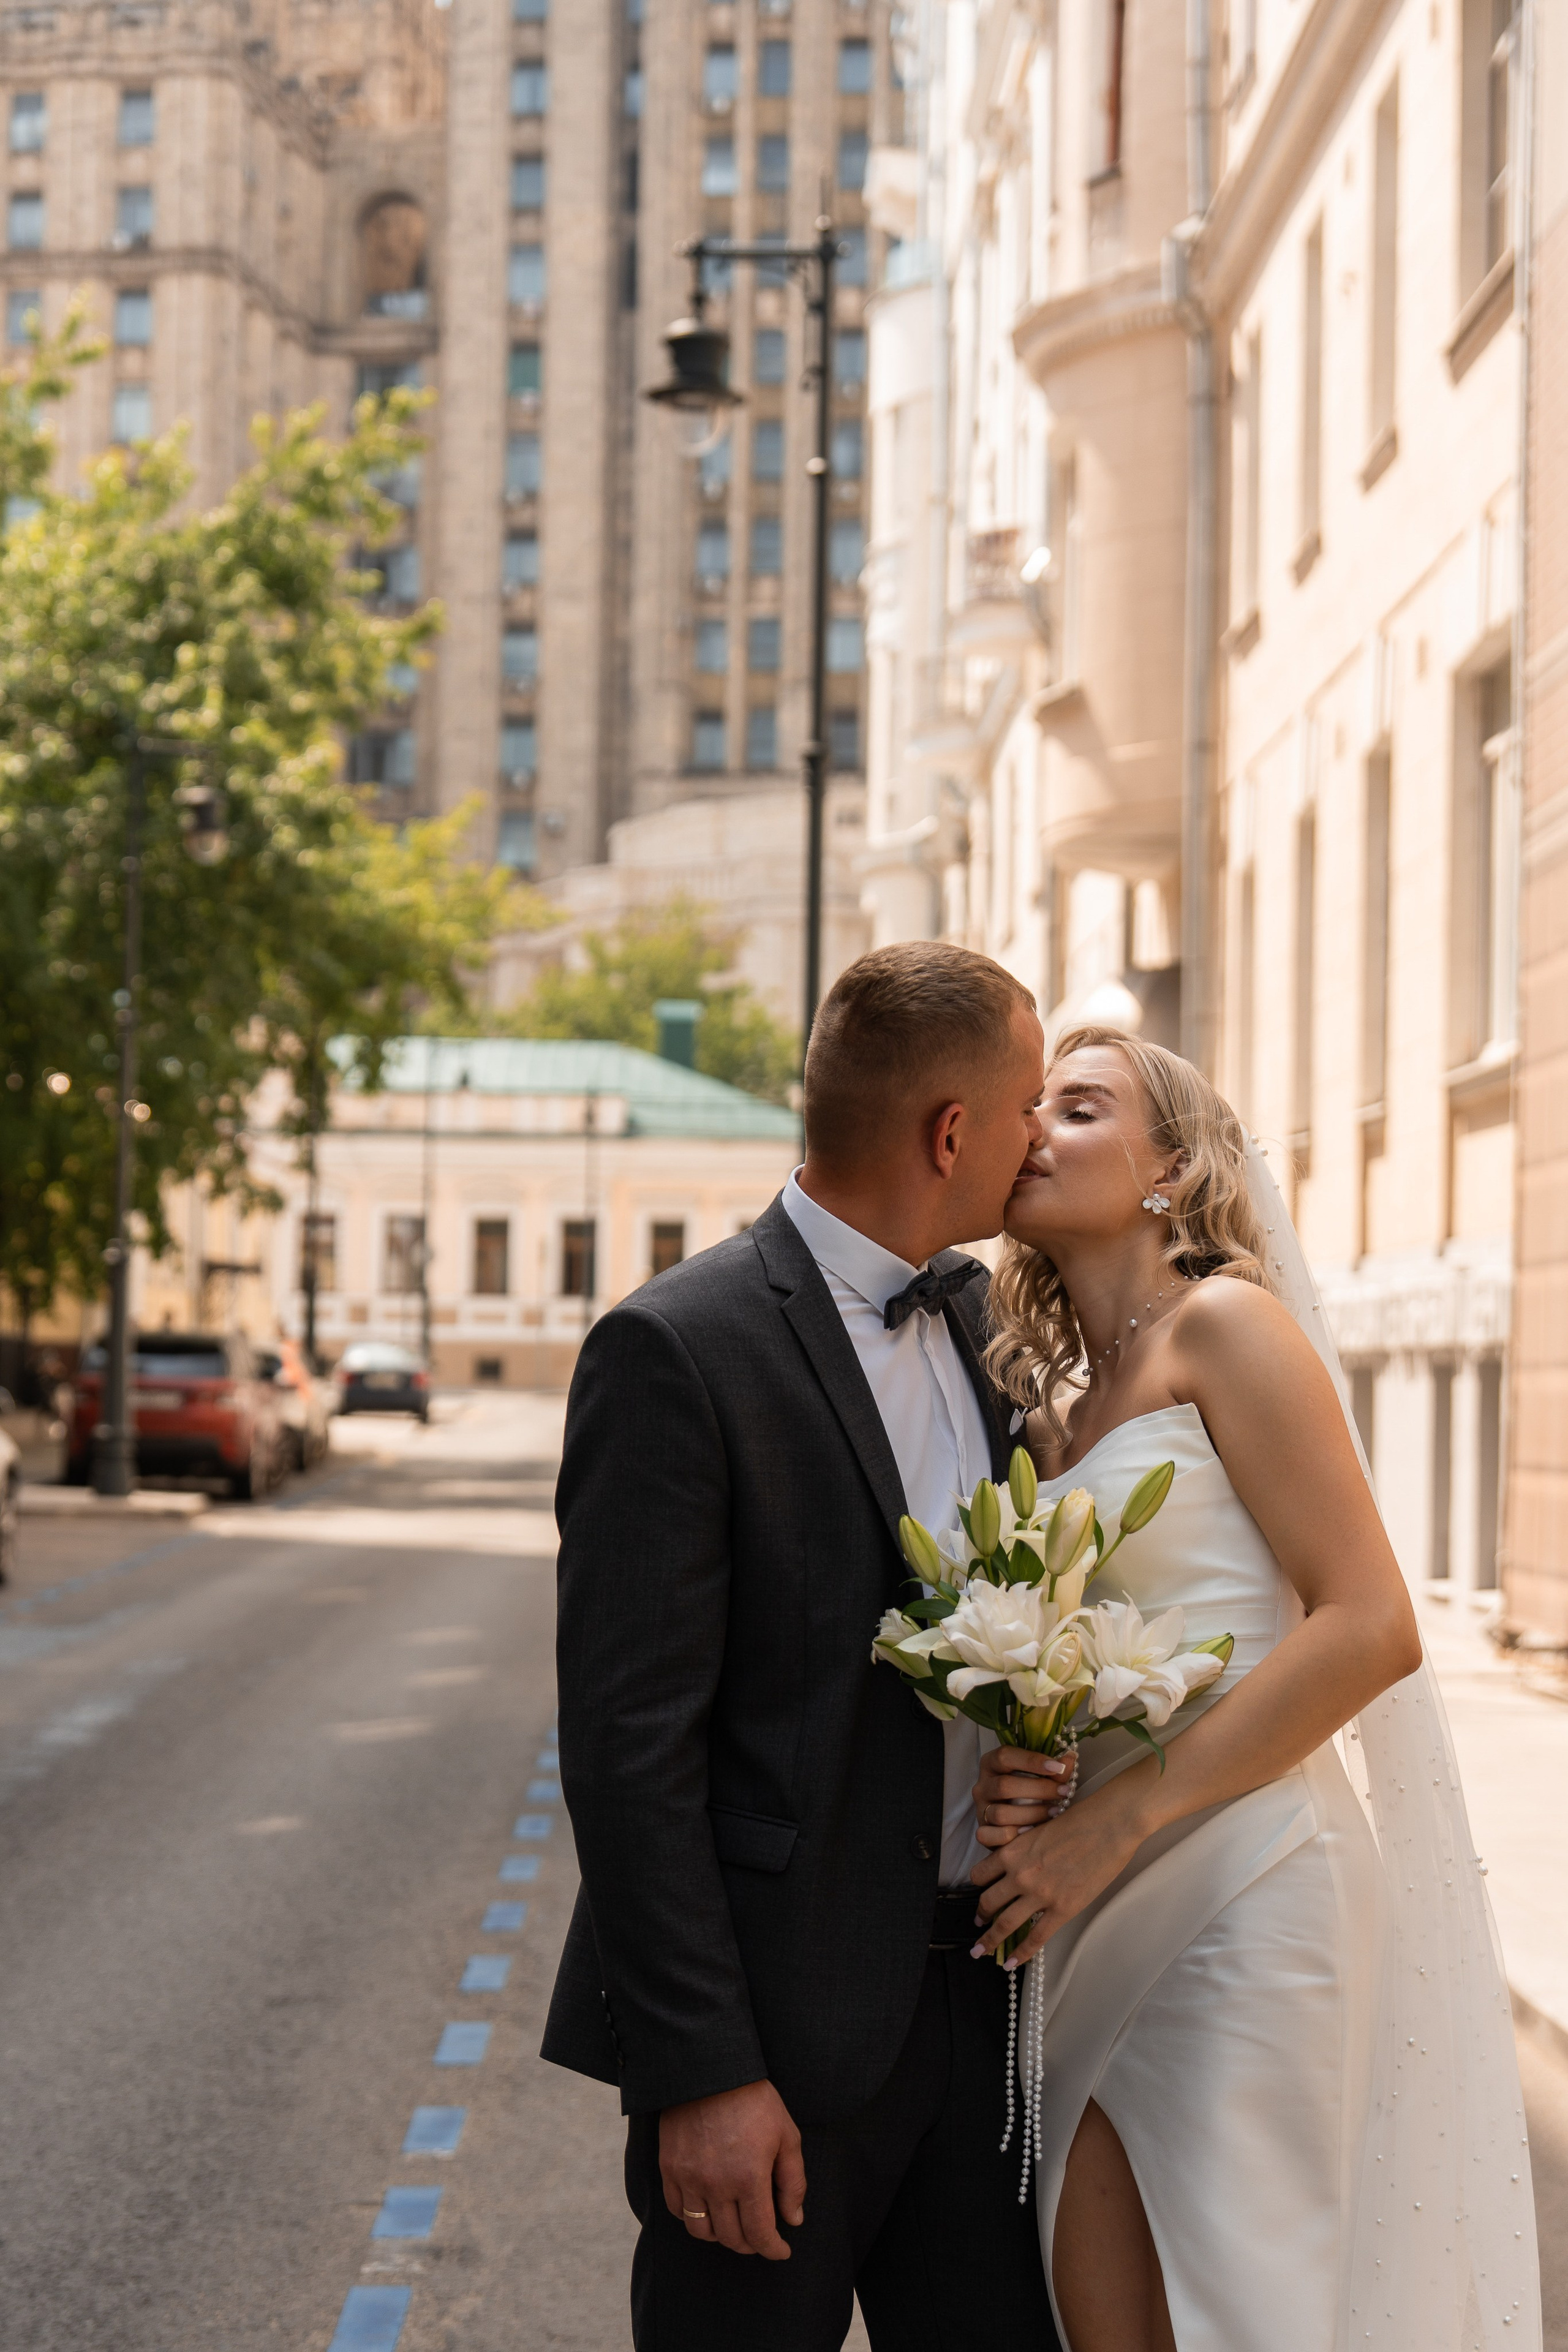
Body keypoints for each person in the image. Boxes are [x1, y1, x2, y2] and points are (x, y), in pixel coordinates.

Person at [967, 1025, 1542, 2352]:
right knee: (1094, 2309)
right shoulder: (1051, 1413)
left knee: (1246, 2308)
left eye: (1078, 1105)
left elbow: (1369, 1627)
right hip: (1079, 1895)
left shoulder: (1225, 1325)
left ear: (1170, 1166)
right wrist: (1023, 1761)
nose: (1032, 1127)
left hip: (1241, 1886)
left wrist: (1111, 1822)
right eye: (1026, 1106)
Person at [543, 941, 1063, 2351]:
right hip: (772, 2053)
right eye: (1027, 1107)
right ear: (950, 1133)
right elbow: (624, 1750)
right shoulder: (676, 1349)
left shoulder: (985, 1328)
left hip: (995, 2030)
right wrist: (701, 2072)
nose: (1037, 1138)